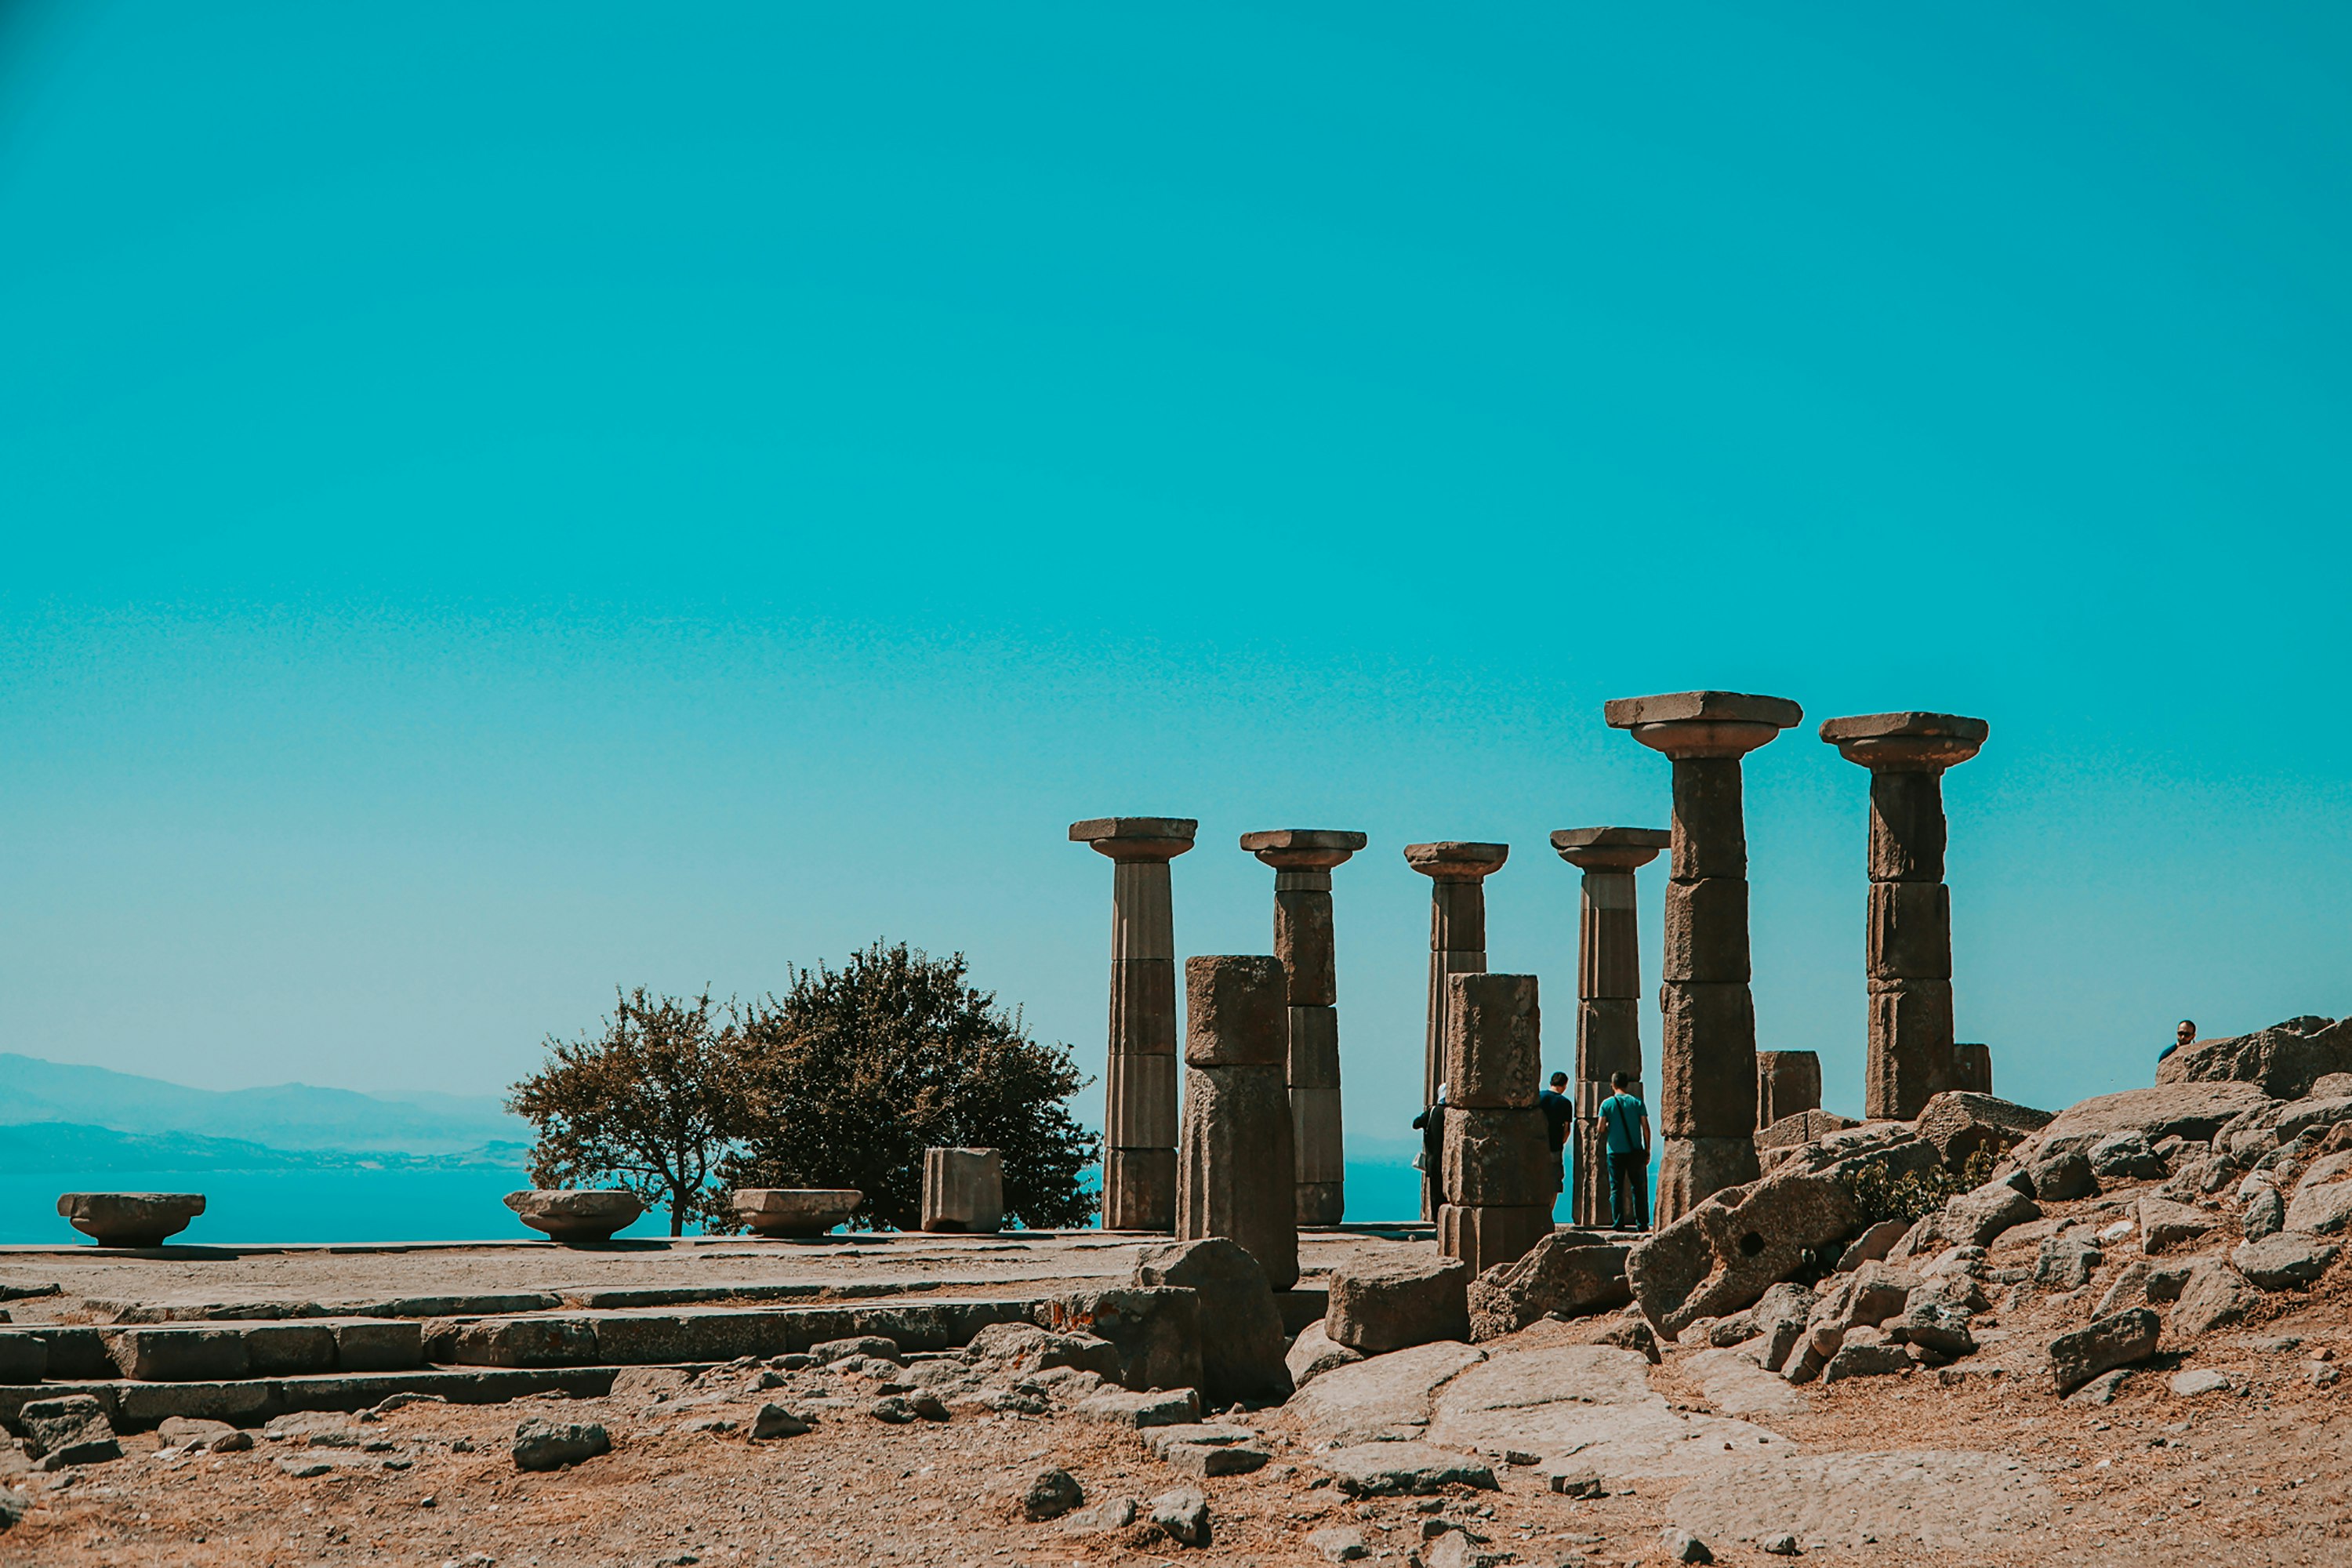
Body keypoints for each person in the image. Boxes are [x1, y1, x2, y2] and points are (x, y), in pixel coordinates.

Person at [1598, 1071, 1650, 1231]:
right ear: (1627, 1085)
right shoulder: (1637, 1102)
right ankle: (1642, 1224)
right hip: (1635, 1151)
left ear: (1612, 1085)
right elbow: (1646, 1128)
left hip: (1614, 1151)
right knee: (1638, 1188)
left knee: (1616, 1188)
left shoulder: (1607, 1104)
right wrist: (1647, 1149)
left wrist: (1609, 1126)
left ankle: (1618, 1223)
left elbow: (1600, 1128)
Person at [1411, 1083, 1449, 1207]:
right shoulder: (1450, 1113)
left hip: (1433, 1161)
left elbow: (1416, 1124)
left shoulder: (1432, 1112)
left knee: (1435, 1194)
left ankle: (1437, 1221)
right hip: (1449, 1161)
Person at [1537, 1071, 1574, 1196]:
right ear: (1565, 1085)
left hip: (1537, 1144)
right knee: (1554, 1183)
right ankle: (1549, 1212)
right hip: (1555, 1146)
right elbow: (1567, 1130)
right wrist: (1560, 1142)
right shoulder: (1565, 1103)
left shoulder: (1538, 1097)